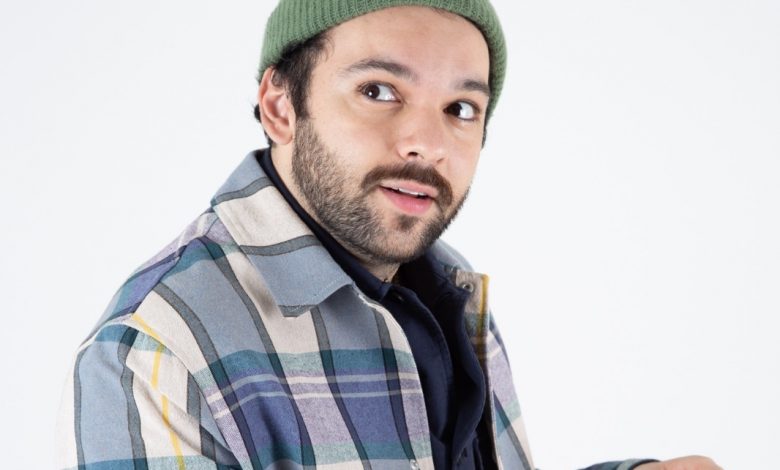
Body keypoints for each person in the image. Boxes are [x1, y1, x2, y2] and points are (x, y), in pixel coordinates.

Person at [56, 1, 722, 469]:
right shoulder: (156, 355)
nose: (427, 142)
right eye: (378, 91)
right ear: (280, 106)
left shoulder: (447, 289)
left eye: (461, 108)